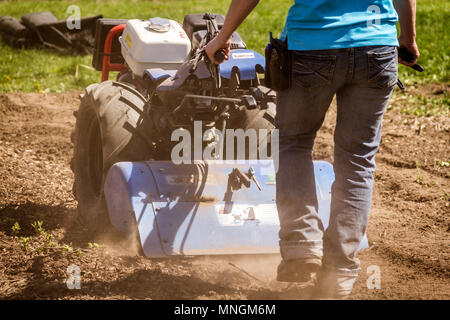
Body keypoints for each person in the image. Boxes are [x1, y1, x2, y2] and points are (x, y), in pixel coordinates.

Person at [206, 0, 419, 298]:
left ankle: (301, 246)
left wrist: (223, 35)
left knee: (293, 143)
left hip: (311, 45)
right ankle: (339, 273)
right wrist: (407, 38)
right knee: (357, 160)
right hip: (377, 46)